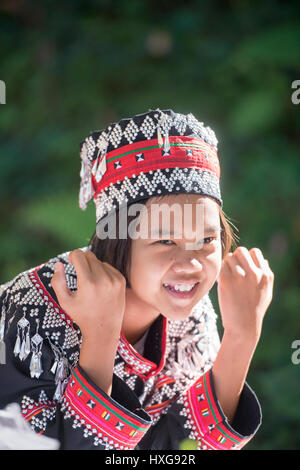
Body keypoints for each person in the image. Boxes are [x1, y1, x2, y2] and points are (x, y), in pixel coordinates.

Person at [0, 109, 274, 450]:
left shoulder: (193, 316)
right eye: (164, 241)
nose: (190, 264)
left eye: (207, 240)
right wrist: (99, 339)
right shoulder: (31, 312)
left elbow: (182, 448)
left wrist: (242, 337)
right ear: (118, 241)